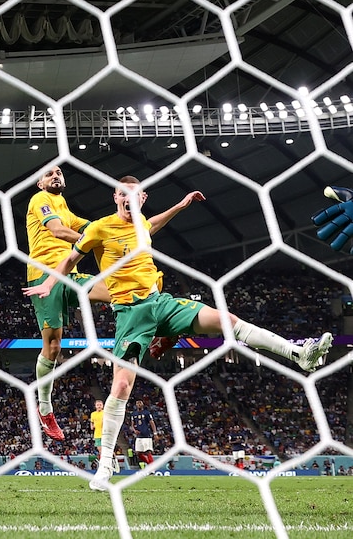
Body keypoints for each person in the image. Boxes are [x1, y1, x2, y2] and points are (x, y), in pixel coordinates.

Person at [24, 176, 333, 491]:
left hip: (161, 304)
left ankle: (299, 355)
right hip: (131, 316)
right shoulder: (99, 228)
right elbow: (71, 258)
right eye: (124, 194)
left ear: (142, 198)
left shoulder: (142, 224)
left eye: (136, 195)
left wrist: (182, 205)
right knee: (120, 385)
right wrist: (48, 283)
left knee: (228, 319)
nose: (129, 199)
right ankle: (105, 466)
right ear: (116, 196)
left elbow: (151, 225)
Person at [27, 166, 203, 439]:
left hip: (71, 275)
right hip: (45, 275)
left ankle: (164, 332)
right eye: (49, 174)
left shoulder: (63, 205)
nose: (55, 176)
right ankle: (45, 407)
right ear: (40, 183)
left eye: (59, 172)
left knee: (131, 291)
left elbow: (125, 226)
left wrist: (176, 207)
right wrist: (102, 241)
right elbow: (60, 232)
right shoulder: (40, 201)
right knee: (52, 346)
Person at [130, 399, 157, 468]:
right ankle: (149, 464)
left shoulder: (146, 413)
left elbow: (152, 423)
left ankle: (152, 468)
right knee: (138, 453)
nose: (139, 404)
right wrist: (134, 430)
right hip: (139, 436)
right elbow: (132, 425)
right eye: (137, 403)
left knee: (148, 452)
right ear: (136, 405)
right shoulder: (134, 414)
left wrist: (155, 433)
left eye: (140, 403)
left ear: (142, 404)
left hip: (146, 435)